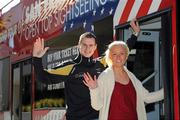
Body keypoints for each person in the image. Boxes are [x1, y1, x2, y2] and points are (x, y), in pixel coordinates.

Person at [32, 19, 140, 120]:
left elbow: (122, 52)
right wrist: (37, 58)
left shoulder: (101, 62)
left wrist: (135, 34)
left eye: (91, 45)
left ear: (95, 47)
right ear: (79, 45)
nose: (87, 49)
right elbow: (43, 77)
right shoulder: (70, 67)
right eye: (84, 45)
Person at [83, 41, 164, 120]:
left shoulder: (131, 77)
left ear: (126, 56)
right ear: (110, 57)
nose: (118, 57)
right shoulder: (104, 77)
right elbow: (97, 106)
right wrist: (94, 89)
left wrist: (168, 91)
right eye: (114, 54)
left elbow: (147, 97)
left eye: (122, 53)